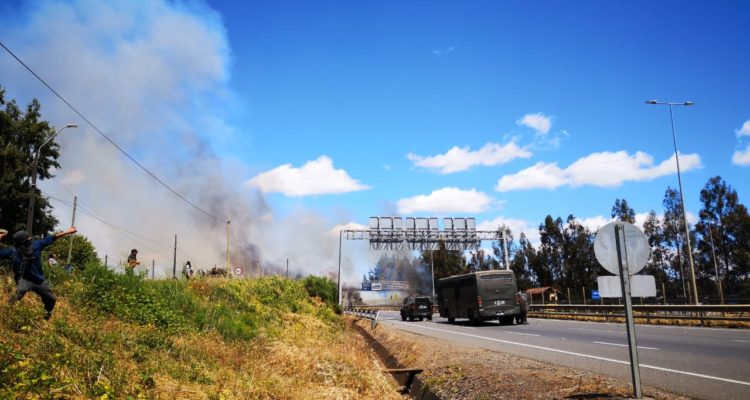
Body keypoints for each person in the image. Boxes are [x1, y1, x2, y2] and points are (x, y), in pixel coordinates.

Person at [0, 227, 77, 320]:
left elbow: (52, 238)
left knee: (51, 299)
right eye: (28, 239)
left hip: (38, 281)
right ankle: (6, 312)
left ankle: (47, 313)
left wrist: (67, 231)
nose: (30, 239)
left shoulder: (36, 245)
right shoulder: (13, 252)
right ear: (22, 242)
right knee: (17, 295)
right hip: (24, 280)